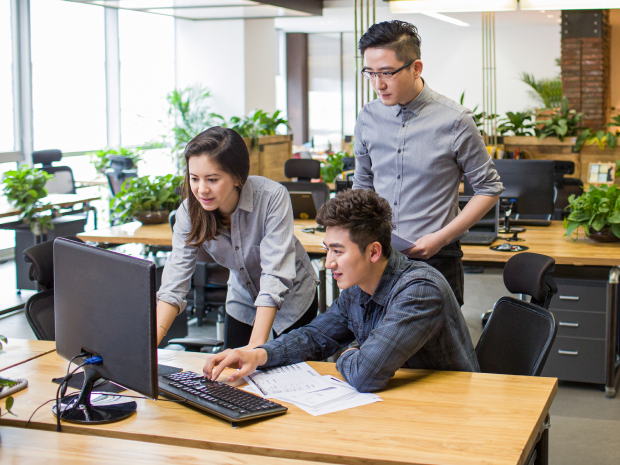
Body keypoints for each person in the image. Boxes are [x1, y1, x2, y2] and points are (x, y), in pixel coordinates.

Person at [203, 189, 479, 393]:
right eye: (327, 250)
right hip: (401, 401)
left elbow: (365, 375)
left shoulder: (419, 291)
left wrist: (348, 350)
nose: (329, 263)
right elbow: (314, 336)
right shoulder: (359, 286)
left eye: (338, 251)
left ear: (373, 251)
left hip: (448, 409)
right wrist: (259, 354)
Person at [353, 20, 504, 306]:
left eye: (387, 73)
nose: (378, 84)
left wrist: (440, 238)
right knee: (377, 347)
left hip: (437, 259)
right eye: (370, 73)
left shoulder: (455, 120)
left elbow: (489, 189)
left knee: (434, 350)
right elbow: (362, 183)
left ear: (416, 68)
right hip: (378, 257)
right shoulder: (367, 117)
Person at [156, 126, 319, 349]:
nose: (201, 189)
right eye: (194, 178)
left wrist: (254, 351)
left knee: (293, 371)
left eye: (212, 179)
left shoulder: (272, 197)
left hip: (292, 295)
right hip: (243, 294)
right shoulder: (189, 211)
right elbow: (174, 282)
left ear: (236, 177)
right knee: (233, 372)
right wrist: (151, 344)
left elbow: (274, 276)